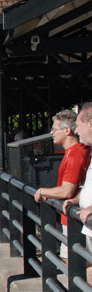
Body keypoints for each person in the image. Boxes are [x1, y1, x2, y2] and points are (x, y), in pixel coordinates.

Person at [37, 110, 91, 261]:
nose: (52, 132)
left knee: (74, 264)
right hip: (75, 215)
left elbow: (67, 190)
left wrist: (42, 191)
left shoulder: (75, 154)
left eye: (54, 129)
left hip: (75, 220)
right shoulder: (74, 152)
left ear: (67, 130)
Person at [63, 103, 92, 292]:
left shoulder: (78, 152)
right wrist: (78, 199)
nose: (76, 130)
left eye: (79, 125)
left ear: (91, 123)